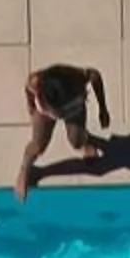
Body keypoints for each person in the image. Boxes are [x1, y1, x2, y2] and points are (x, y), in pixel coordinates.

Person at [14, 63, 110, 200]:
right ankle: (25, 171)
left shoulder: (79, 78)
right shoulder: (37, 81)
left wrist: (103, 108)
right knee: (38, 146)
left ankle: (86, 142)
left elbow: (95, 75)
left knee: (76, 141)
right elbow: (28, 86)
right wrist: (30, 104)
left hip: (74, 110)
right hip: (44, 114)